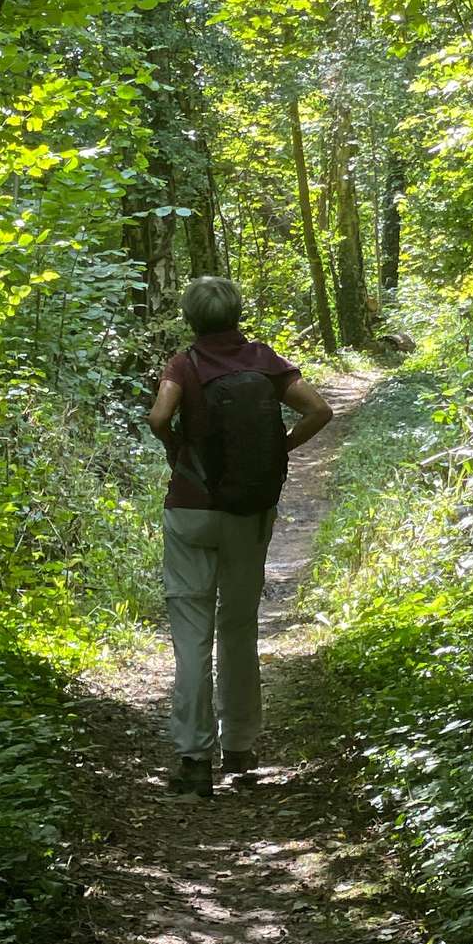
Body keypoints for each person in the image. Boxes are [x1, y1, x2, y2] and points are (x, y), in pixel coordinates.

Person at [147, 276, 332, 797]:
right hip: (248, 514)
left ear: (191, 318)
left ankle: (193, 760)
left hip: (190, 510)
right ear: (237, 313)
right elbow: (320, 410)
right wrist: (279, 448)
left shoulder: (184, 364)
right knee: (239, 626)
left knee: (192, 634)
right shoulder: (264, 360)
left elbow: (160, 416)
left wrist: (177, 449)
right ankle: (240, 748)